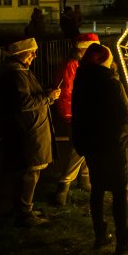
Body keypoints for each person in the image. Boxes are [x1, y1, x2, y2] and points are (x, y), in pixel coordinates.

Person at [72, 43, 128, 254]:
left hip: (92, 144)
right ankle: (123, 239)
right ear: (104, 59)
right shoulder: (111, 82)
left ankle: (100, 234)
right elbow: (124, 118)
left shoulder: (81, 79)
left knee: (98, 189)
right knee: (119, 192)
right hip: (114, 145)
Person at [0, 36, 61, 227]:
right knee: (29, 172)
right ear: (20, 54)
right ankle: (24, 213)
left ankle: (21, 208)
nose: (34, 55)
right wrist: (48, 97)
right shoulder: (16, 74)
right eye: (31, 52)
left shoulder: (19, 71)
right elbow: (24, 103)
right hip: (27, 130)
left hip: (27, 128)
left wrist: (45, 95)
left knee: (26, 171)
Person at [50, 32, 99, 206]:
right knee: (79, 148)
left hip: (85, 111)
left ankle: (84, 179)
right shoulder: (72, 65)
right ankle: (63, 185)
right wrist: (71, 115)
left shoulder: (82, 64)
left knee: (88, 146)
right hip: (76, 113)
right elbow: (67, 92)